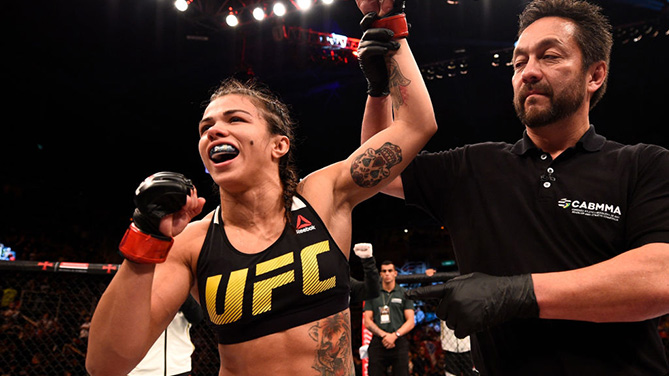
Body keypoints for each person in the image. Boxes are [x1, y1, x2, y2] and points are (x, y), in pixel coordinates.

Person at [84, 1, 437, 374]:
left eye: (235, 119)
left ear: (278, 145)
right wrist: (144, 238)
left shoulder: (322, 196)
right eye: (206, 128)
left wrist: (390, 29)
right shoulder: (191, 243)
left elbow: (416, 126)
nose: (215, 130)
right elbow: (106, 365)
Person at [361, 0, 669, 374]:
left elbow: (659, 278)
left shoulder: (644, 164)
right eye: (519, 62)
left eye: (550, 57)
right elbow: (376, 171)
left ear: (596, 75)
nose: (529, 72)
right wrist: (379, 88)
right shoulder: (474, 166)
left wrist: (516, 293)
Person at [129, 295, 203, 376]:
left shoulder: (184, 287)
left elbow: (197, 316)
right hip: (142, 369)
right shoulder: (135, 288)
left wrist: (179, 291)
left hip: (179, 366)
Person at [363, 260, 415, 376]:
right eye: (384, 271)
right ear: (380, 274)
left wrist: (395, 335)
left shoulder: (404, 293)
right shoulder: (373, 294)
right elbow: (367, 321)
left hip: (399, 340)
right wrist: (384, 335)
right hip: (378, 340)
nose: (387, 273)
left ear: (395, 273)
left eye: (390, 271)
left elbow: (411, 321)